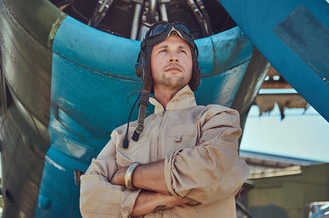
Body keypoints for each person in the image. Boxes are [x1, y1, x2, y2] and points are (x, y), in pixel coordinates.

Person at [80, 21, 250, 217]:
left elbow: (211, 172)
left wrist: (128, 175)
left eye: (182, 51)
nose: (174, 57)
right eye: (163, 50)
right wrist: (181, 195)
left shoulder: (217, 118)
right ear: (145, 66)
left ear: (193, 66)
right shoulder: (121, 136)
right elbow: (90, 200)